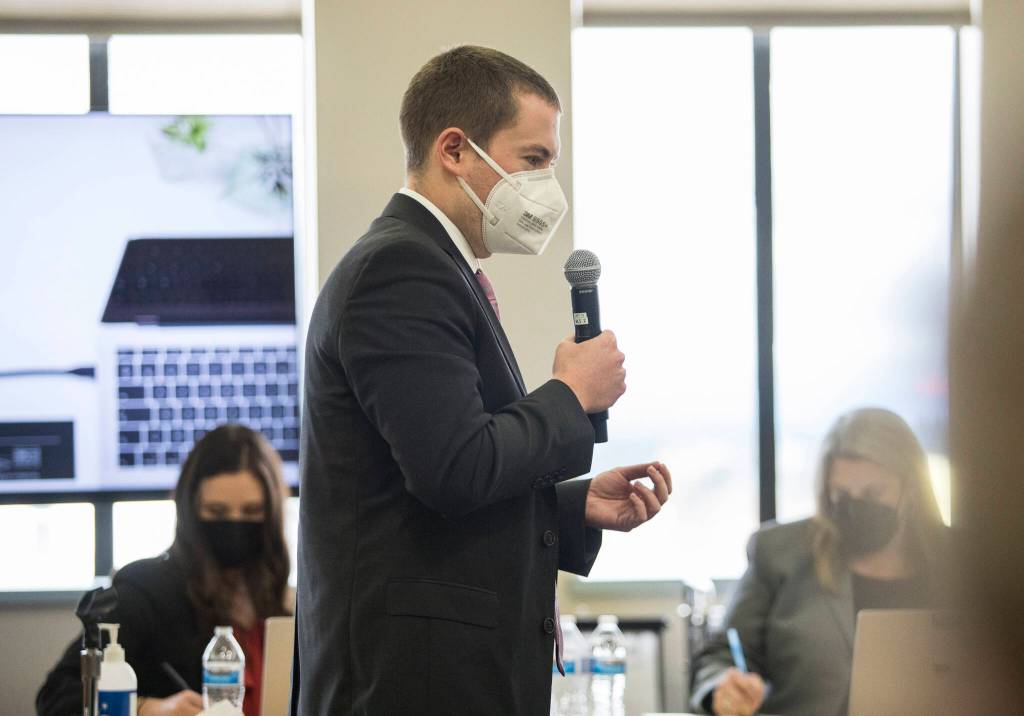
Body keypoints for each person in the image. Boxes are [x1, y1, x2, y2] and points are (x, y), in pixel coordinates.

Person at [293, 45, 672, 715]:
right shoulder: (401, 272)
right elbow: (454, 469)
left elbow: (423, 484)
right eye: (532, 160)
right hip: (410, 685)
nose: (546, 186)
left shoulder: (440, 266)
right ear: (455, 150)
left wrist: (569, 504)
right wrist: (571, 395)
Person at [690, 407, 949, 716]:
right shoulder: (780, 553)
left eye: (873, 493)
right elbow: (720, 656)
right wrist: (722, 687)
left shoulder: (964, 559)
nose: (856, 507)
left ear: (910, 487)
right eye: (842, 495)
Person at [37, 424, 292, 716]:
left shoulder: (284, 602)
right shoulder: (145, 591)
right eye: (217, 512)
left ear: (270, 516)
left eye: (251, 513)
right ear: (191, 511)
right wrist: (148, 709)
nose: (234, 524)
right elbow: (56, 697)